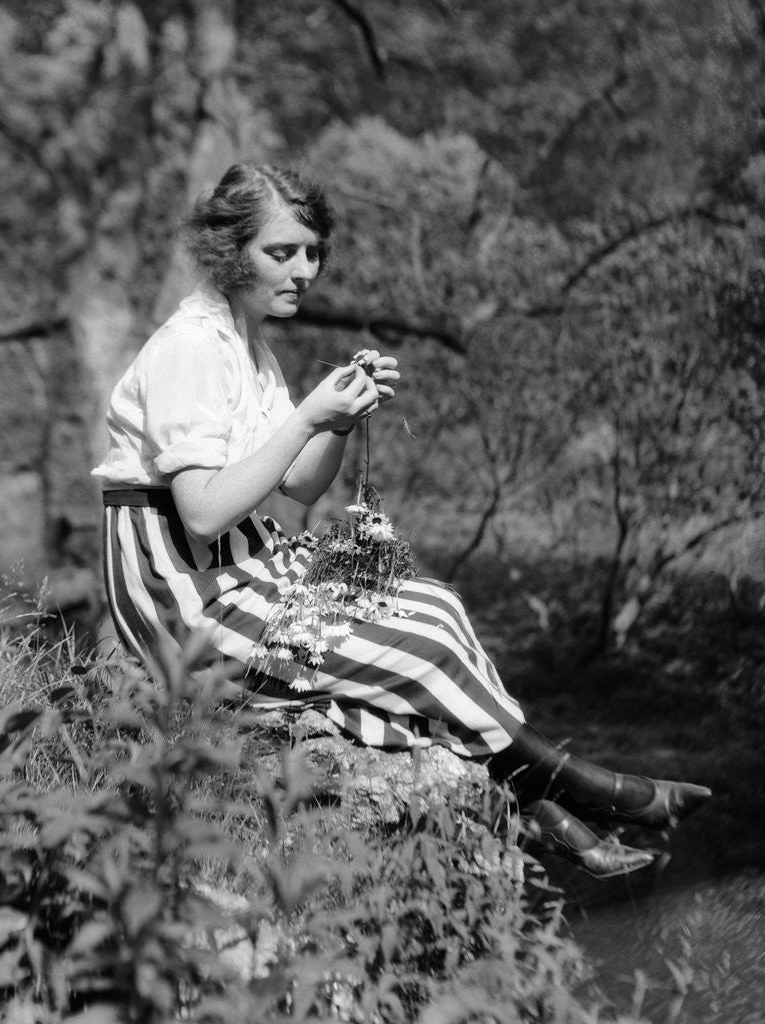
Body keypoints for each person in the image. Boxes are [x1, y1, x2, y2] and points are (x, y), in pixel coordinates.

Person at [92, 163, 710, 879]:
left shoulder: (247, 344)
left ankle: (550, 814)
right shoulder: (191, 348)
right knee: (419, 647)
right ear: (231, 252)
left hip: (238, 562)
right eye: (281, 252)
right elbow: (201, 513)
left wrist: (338, 419)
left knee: (436, 607)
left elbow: (298, 483)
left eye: (312, 252)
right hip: (184, 595)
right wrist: (309, 417)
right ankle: (594, 792)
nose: (304, 271)